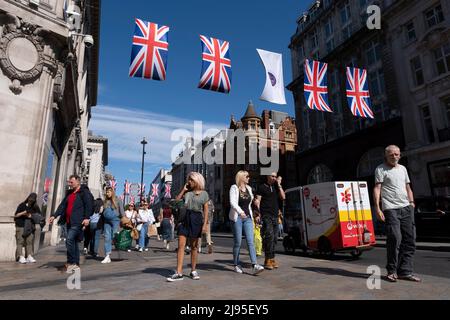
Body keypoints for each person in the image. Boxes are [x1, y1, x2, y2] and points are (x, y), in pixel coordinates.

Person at [374, 145, 421, 282]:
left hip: (406, 207)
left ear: (400, 155)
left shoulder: (403, 169)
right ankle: (391, 270)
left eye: (396, 154)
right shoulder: (380, 169)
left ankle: (405, 271)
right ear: (386, 156)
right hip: (390, 208)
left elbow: (408, 187)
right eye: (391, 155)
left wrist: (411, 202)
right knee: (395, 238)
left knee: (410, 240)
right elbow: (377, 188)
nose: (394, 156)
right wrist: (378, 208)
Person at [167, 172, 209, 282]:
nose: (189, 182)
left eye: (191, 180)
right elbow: (176, 202)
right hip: (185, 218)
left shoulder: (204, 194)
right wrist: (183, 190)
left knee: (194, 246)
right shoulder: (187, 193)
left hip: (196, 218)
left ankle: (193, 270)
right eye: (189, 180)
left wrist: (204, 225)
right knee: (181, 245)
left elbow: (206, 211)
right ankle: (179, 272)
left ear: (197, 181)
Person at [49, 175, 93, 273]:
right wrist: (54, 215)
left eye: (71, 182)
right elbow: (63, 205)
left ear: (78, 181)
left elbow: (89, 205)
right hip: (69, 221)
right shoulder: (69, 193)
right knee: (73, 243)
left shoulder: (84, 192)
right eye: (69, 182)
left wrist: (87, 218)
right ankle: (76, 264)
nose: (69, 184)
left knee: (69, 240)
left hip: (78, 221)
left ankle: (71, 262)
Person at [229, 171, 264, 275]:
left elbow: (252, 202)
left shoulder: (249, 188)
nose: (249, 178)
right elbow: (233, 202)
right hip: (237, 218)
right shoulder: (234, 188)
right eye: (247, 176)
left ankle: (254, 265)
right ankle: (236, 264)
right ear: (241, 177)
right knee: (238, 242)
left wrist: (256, 203)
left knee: (251, 241)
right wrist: (240, 212)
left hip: (248, 217)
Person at [255, 172, 285, 270]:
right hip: (266, 215)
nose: (274, 178)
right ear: (267, 176)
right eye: (272, 176)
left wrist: (279, 185)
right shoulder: (261, 187)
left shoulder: (276, 187)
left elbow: (283, 197)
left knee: (275, 238)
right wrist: (258, 214)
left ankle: (272, 258)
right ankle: (267, 259)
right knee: (269, 236)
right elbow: (258, 201)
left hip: (275, 216)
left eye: (275, 176)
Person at [14, 193, 41, 263]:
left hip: (30, 226)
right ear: (28, 198)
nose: (31, 201)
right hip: (21, 225)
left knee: (29, 242)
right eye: (30, 199)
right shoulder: (22, 205)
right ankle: (20, 256)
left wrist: (31, 216)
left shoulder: (35, 207)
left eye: (33, 200)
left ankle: (29, 256)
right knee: (20, 242)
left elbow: (39, 216)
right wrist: (24, 212)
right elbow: (16, 215)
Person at [100, 187, 124, 264]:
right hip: (106, 221)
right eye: (107, 192)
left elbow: (122, 211)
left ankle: (124, 246)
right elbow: (103, 211)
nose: (108, 193)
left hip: (115, 221)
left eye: (109, 192)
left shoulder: (118, 200)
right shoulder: (105, 201)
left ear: (112, 192)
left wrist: (124, 219)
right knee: (107, 238)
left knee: (115, 236)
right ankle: (107, 256)